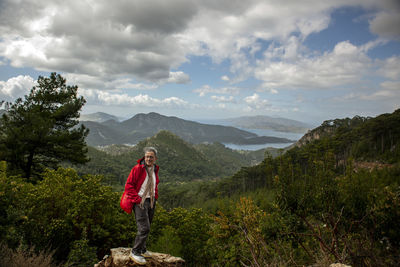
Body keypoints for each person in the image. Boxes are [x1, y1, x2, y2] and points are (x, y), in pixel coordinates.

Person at [120, 147, 160, 265]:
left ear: (155, 159)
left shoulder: (154, 169)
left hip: (151, 201)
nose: (148, 159)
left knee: (148, 226)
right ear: (144, 157)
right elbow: (129, 186)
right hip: (140, 202)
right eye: (147, 156)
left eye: (151, 157)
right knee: (144, 228)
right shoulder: (138, 168)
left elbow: (154, 184)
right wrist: (137, 200)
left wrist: (155, 196)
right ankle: (135, 252)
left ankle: (142, 249)